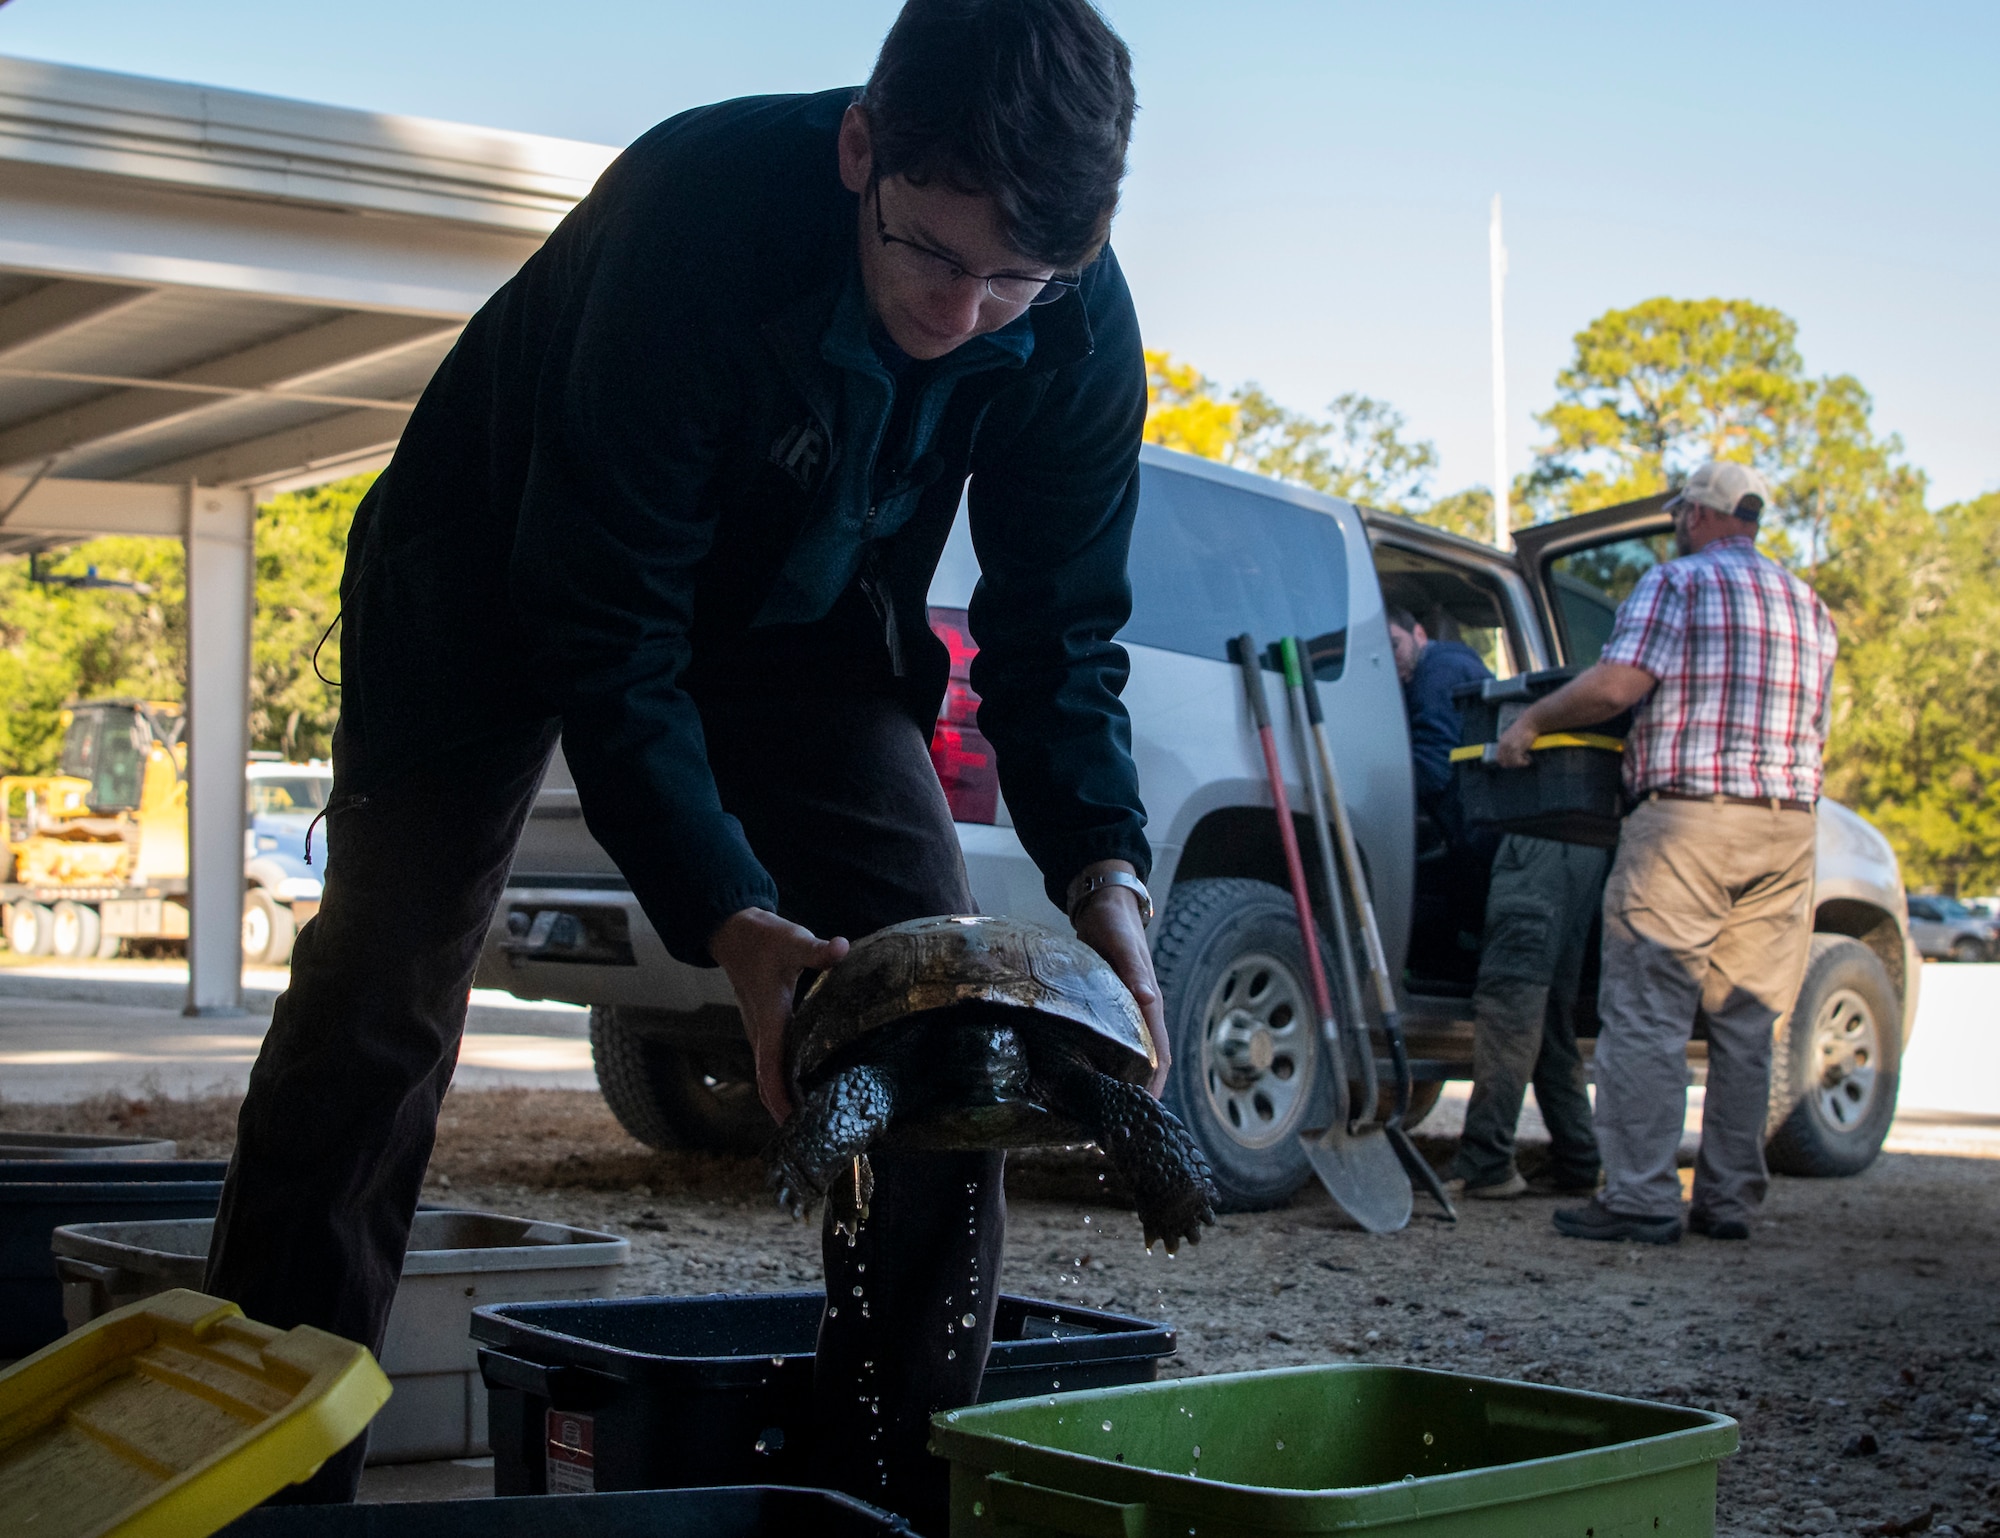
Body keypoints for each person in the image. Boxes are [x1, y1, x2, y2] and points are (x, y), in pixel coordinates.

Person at [203, 4, 1164, 1526]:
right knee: (380, 1000)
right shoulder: (694, 213)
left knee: (937, 991)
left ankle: (886, 1476)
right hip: (501, 578)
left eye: (1017, 278)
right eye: (929, 252)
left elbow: (1060, 631)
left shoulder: (1073, 317)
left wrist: (1106, 868)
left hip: (799, 615)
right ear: (862, 150)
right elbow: (608, 626)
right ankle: (261, 1467)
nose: (970, 309)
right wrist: (730, 917)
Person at [1496, 461, 1836, 1245]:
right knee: (1748, 1025)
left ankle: (1644, 1197)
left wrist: (1532, 722)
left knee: (1648, 1012)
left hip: (1689, 821)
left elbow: (1616, 687)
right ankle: (1728, 1203)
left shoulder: (1677, 584)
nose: (1677, 520)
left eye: (1681, 507)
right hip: (1788, 826)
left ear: (1701, 514)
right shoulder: (1808, 605)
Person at [1386, 611, 1606, 1201]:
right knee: (1551, 1007)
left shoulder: (1441, 668)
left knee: (1510, 995)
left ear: (1422, 634)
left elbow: (1434, 764)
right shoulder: (1448, 668)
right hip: (1578, 840)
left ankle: (1486, 1163)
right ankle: (1578, 1159)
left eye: (1396, 644)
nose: (1394, 659)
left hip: (1532, 838)